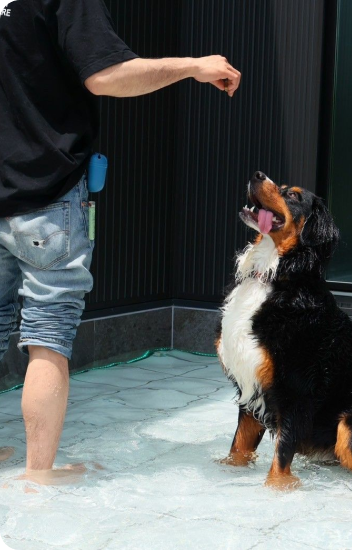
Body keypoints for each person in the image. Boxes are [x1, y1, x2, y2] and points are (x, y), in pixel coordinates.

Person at [0, 0, 241, 484]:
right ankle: (39, 475)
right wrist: (195, 66)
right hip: (44, 193)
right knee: (48, 336)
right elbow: (107, 74)